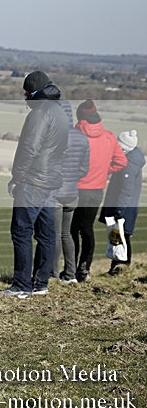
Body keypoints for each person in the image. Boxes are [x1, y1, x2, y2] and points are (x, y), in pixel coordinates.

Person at [0, 71, 67, 298]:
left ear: (33, 91)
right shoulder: (61, 111)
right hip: (51, 181)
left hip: (33, 182)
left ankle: (21, 285)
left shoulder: (40, 113)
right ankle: (41, 283)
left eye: (26, 92)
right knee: (46, 234)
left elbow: (30, 149)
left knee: (21, 232)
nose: (25, 97)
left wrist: (17, 178)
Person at [70, 99, 127, 282]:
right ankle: (84, 269)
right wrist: (103, 171)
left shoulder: (74, 135)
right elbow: (121, 162)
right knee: (87, 229)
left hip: (75, 188)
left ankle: (69, 269)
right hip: (96, 190)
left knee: (71, 230)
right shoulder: (109, 137)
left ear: (80, 116)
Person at [47, 101, 89, 284]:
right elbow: (84, 169)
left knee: (54, 234)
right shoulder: (81, 137)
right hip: (73, 192)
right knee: (67, 234)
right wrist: (71, 178)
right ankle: (70, 274)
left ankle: (53, 274)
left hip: (55, 192)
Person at [99, 130, 143, 275]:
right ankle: (117, 267)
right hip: (124, 206)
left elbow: (126, 191)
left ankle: (121, 267)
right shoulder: (130, 160)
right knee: (119, 236)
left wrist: (119, 211)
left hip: (123, 208)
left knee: (122, 237)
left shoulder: (128, 166)